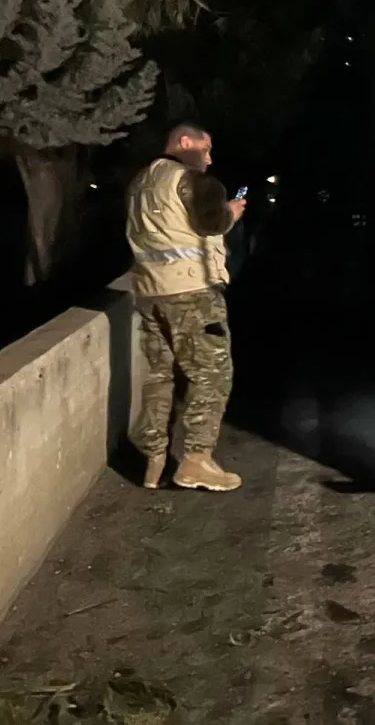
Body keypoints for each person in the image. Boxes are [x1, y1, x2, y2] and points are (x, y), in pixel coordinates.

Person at [126, 124, 247, 491]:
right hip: (192, 291)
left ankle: (155, 462)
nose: (208, 158)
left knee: (159, 376)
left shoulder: (140, 184)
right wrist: (231, 213)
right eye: (205, 148)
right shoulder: (192, 181)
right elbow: (210, 223)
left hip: (149, 293)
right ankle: (197, 459)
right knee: (213, 372)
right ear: (183, 142)